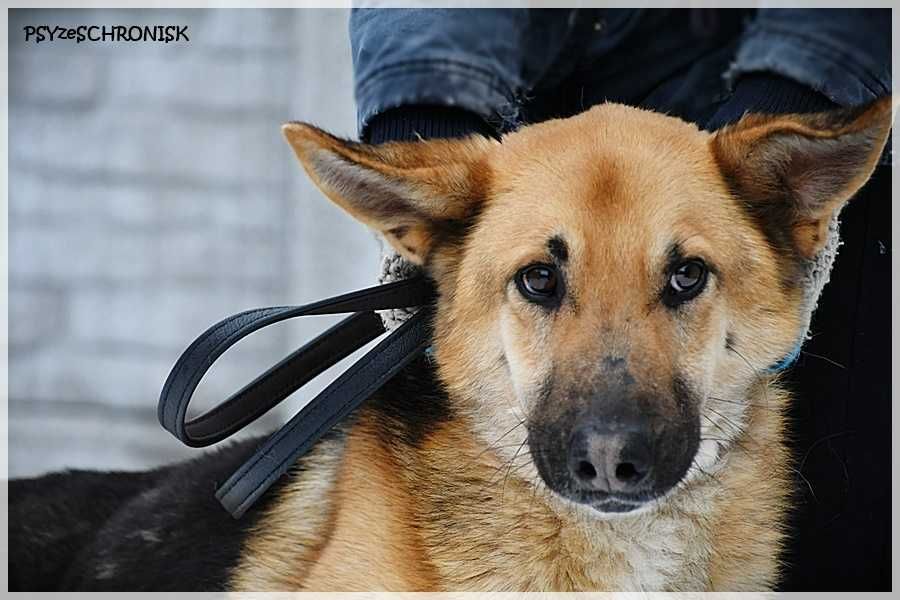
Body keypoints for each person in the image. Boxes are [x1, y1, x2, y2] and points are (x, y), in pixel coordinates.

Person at [349, 8, 891, 590]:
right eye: (541, 282)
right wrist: (426, 128)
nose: (608, 449)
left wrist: (792, 114)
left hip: (791, 119)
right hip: (523, 130)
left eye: (683, 279)